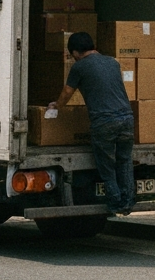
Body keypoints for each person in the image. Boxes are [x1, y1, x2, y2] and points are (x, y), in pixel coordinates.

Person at [48, 31, 136, 216]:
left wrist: (57, 106)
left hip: (104, 121)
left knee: (106, 164)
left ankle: (115, 203)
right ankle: (128, 202)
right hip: (127, 118)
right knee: (124, 160)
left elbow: (67, 92)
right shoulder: (112, 62)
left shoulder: (79, 67)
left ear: (75, 52)